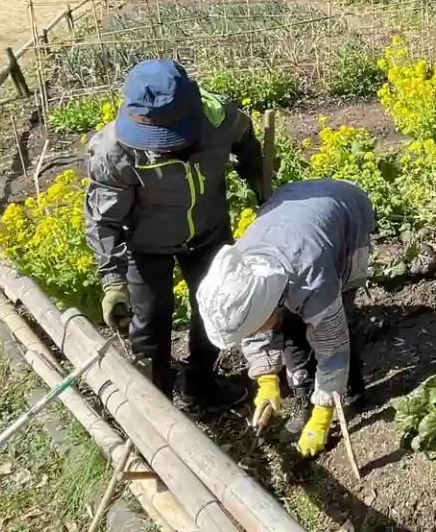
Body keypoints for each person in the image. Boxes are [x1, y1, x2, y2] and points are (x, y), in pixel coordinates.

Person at [85, 59, 266, 406]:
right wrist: (112, 281)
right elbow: (104, 219)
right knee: (149, 325)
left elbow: (245, 140)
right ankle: (157, 403)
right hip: (146, 244)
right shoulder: (114, 151)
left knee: (216, 309)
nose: (163, 145)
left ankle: (200, 385)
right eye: (154, 137)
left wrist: (256, 176)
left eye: (169, 135)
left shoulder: (221, 118)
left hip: (209, 234)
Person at [196, 178, 373, 458]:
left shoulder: (313, 279)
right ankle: (304, 395)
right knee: (291, 330)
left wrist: (323, 414)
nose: (252, 335)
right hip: (290, 216)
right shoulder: (241, 278)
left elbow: (333, 346)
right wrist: (267, 379)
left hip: (346, 210)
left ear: (271, 306)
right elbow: (251, 327)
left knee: (338, 317)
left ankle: (350, 387)